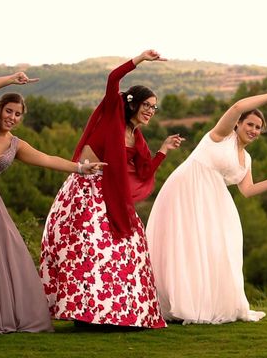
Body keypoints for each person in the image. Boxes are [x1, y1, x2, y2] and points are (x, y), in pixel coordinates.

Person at [0, 73, 103, 334]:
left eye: (18, 114)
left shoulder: (15, 145)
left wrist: (80, 169)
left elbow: (48, 159)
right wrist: (12, 80)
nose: (12, 117)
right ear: (0, 109)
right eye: (9, 111)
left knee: (2, 254)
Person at [39, 50, 182, 330]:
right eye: (148, 105)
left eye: (155, 107)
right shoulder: (111, 112)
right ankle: (85, 315)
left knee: (127, 249)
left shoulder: (136, 137)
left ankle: (114, 314)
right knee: (88, 250)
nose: (152, 110)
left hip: (113, 196)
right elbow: (113, 77)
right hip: (85, 190)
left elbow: (143, 172)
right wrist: (140, 59)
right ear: (132, 103)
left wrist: (163, 151)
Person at [145, 87, 267, 324]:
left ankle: (204, 302)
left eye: (258, 128)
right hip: (187, 187)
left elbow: (247, 190)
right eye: (250, 124)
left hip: (213, 197)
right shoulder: (220, 136)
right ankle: (178, 303)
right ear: (238, 124)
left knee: (219, 246)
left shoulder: (246, 158)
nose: (253, 130)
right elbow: (238, 106)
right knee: (185, 243)